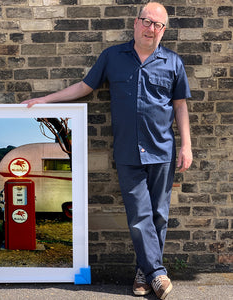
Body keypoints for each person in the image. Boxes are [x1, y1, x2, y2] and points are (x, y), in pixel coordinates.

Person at [22, 2, 192, 299]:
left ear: (164, 31)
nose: (151, 29)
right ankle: (158, 274)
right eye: (146, 21)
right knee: (140, 216)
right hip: (128, 151)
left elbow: (180, 106)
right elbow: (84, 87)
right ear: (136, 22)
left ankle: (144, 273)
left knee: (159, 216)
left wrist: (187, 145)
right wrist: (47, 100)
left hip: (163, 149)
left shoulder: (173, 62)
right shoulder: (112, 57)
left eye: (158, 25)